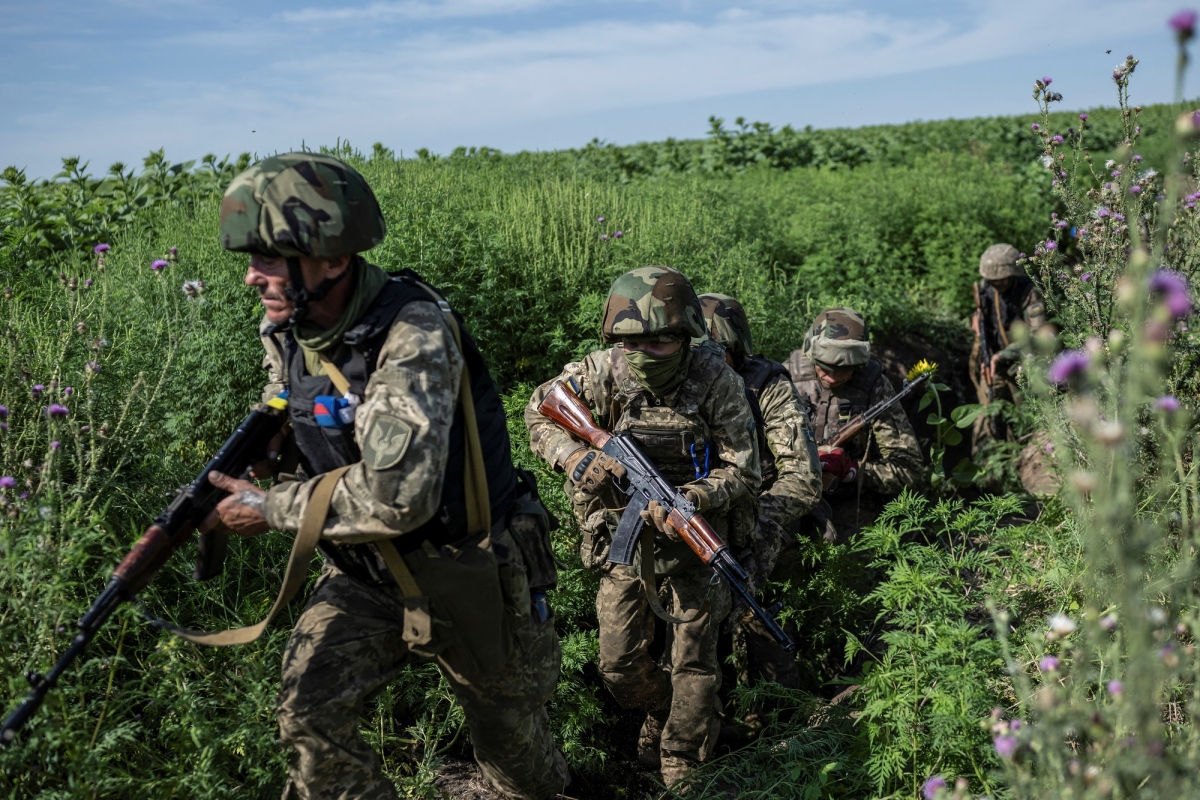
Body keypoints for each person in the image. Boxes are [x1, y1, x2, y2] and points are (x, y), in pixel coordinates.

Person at [199, 153, 568, 800]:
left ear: (333, 261)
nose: (252, 278)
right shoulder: (290, 326)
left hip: (468, 569)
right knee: (308, 715)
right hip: (364, 568)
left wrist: (271, 506)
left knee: (513, 749)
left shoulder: (413, 336)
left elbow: (400, 497)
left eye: (267, 258)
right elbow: (291, 401)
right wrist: (276, 448)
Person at [524, 267, 760, 788]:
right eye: (633, 342)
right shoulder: (601, 371)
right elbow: (539, 410)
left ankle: (682, 765)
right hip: (623, 540)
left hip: (694, 540)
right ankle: (660, 710)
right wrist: (574, 457)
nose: (645, 352)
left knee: (695, 662)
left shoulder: (716, 379)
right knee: (618, 663)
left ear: (686, 337)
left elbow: (744, 467)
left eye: (660, 341)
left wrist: (692, 499)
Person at [697, 294, 822, 690]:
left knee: (759, 617)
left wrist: (751, 526)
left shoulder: (767, 386)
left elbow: (803, 478)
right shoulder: (681, 384)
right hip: (698, 516)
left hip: (761, 516)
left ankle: (784, 716)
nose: (702, 362)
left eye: (713, 351)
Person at [786, 308, 923, 541]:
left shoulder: (873, 386)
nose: (832, 377)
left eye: (843, 369)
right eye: (824, 365)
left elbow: (908, 468)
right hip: (791, 487)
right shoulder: (789, 375)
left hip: (849, 500)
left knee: (859, 554)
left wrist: (853, 471)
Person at [971, 243, 1055, 449]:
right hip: (992, 364)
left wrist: (1003, 355)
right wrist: (974, 321)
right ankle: (992, 462)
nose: (996, 285)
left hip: (1023, 364)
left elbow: (1036, 335)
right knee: (988, 414)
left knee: (1023, 418)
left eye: (1001, 280)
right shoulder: (985, 289)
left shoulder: (1029, 293)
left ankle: (1022, 456)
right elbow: (985, 319)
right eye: (993, 281)